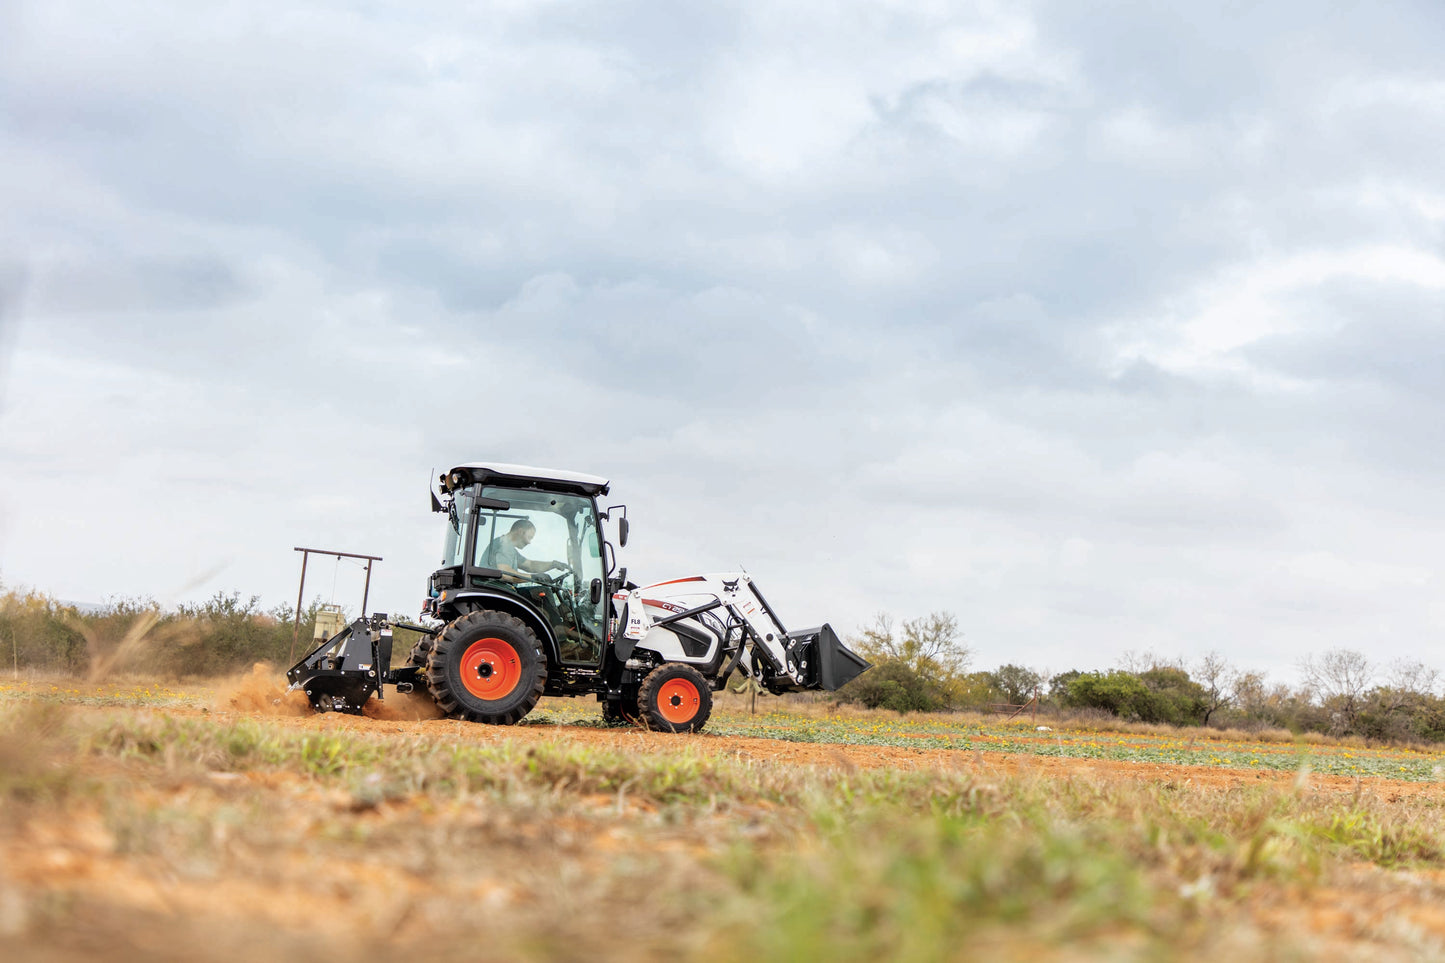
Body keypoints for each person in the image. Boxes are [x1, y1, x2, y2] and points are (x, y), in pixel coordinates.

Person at [482, 519, 567, 581]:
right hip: (496, 590)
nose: (529, 542)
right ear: (520, 531)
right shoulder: (504, 545)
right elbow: (505, 574)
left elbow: (530, 565)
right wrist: (534, 577)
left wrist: (553, 564)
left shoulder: (508, 547)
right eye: (529, 537)